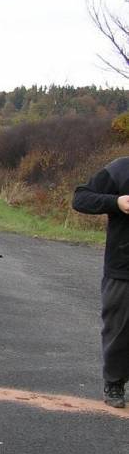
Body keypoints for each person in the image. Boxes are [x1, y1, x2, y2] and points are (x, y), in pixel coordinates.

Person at [72, 156, 129, 408]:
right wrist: (115, 202)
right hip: (122, 267)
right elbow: (81, 198)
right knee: (118, 329)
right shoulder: (121, 169)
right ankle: (114, 382)